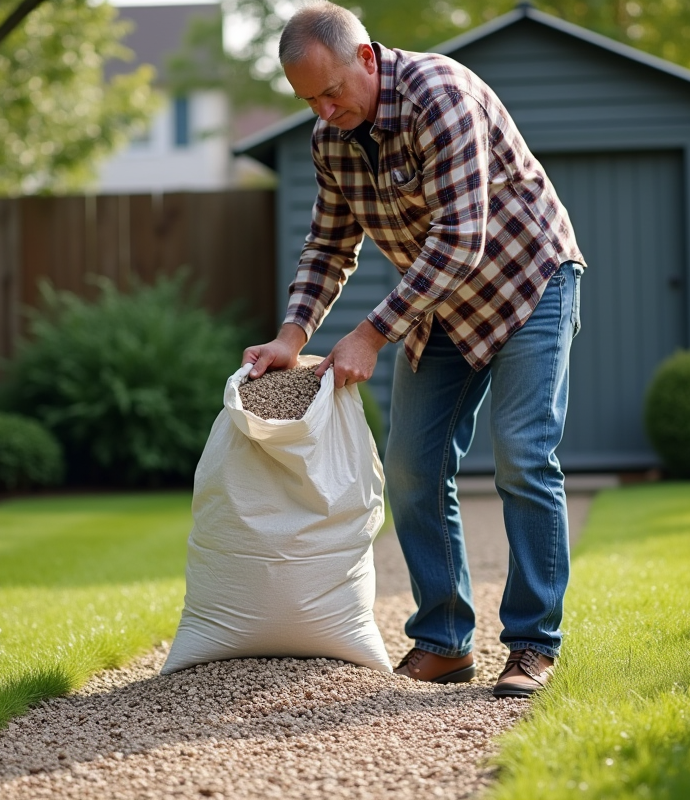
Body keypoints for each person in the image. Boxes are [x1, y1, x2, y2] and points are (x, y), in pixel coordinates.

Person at [242, 1, 585, 699]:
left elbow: (462, 237)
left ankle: (532, 645)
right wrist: (292, 333)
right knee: (409, 468)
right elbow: (330, 244)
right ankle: (445, 641)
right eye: (308, 99)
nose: (324, 110)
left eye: (331, 91)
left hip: (528, 284)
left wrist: (371, 332)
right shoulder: (331, 138)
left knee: (522, 454)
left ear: (366, 58)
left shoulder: (441, 94)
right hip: (441, 307)